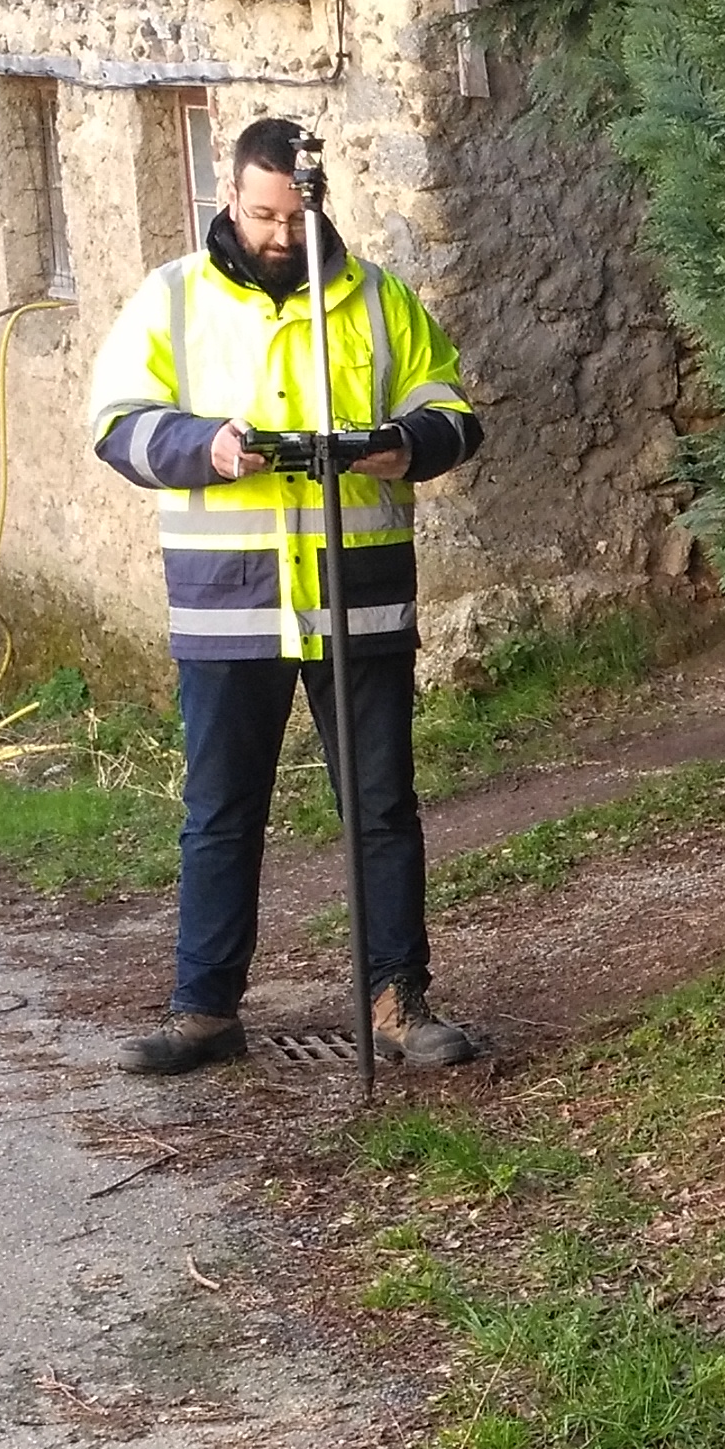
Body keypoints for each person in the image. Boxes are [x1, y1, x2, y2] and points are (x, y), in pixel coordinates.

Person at [87, 118, 483, 1073]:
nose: (276, 232)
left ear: (318, 205)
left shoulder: (377, 300)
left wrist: (407, 444)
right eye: (260, 214)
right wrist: (208, 448)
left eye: (291, 215)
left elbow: (455, 411)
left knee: (381, 809)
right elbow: (116, 425)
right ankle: (204, 1009)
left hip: (360, 602)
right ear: (230, 198)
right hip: (231, 603)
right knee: (220, 811)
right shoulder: (173, 299)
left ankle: (396, 999)